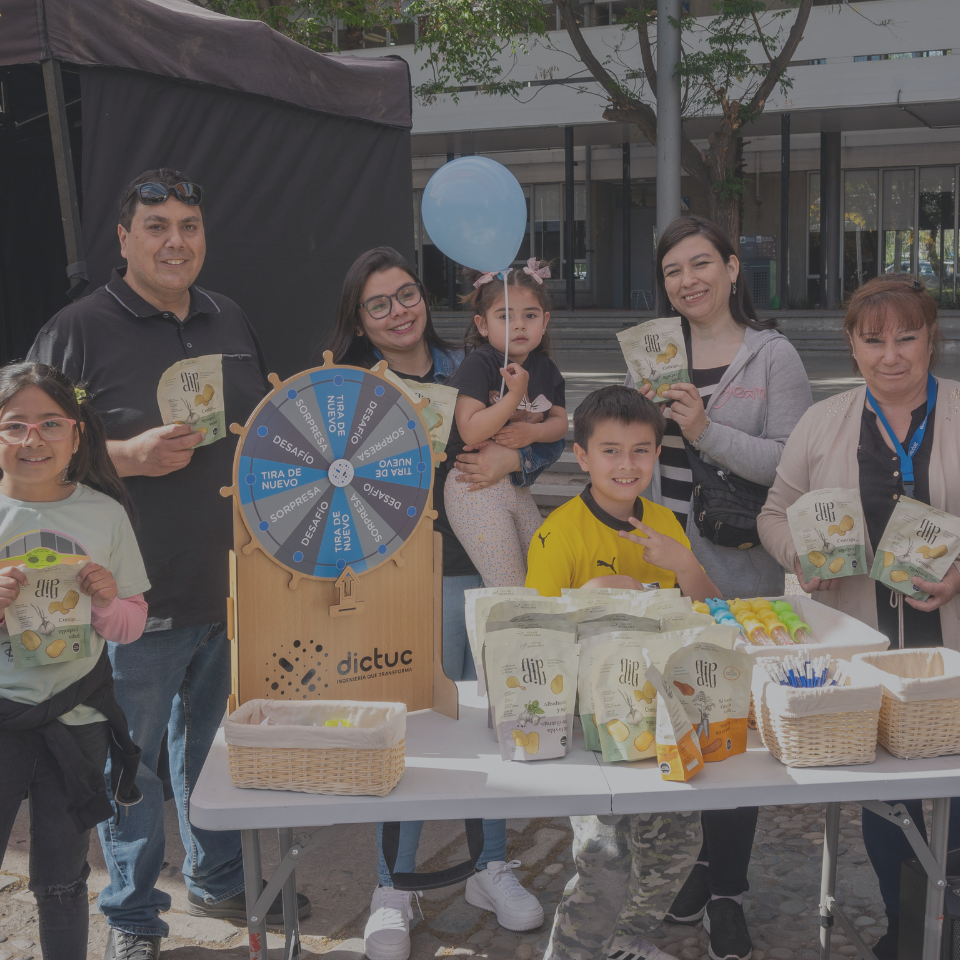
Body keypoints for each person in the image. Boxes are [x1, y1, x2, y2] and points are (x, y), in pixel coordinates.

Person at [26, 168, 306, 959]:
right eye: (156, 226)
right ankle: (134, 916)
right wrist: (123, 457)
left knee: (215, 748)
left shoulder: (229, 315)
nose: (175, 240)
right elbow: (28, 449)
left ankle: (218, 877)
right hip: (131, 602)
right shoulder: (77, 328)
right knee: (132, 770)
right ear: (123, 239)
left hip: (235, 584)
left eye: (188, 224)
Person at [325, 247, 557, 960]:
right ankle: (394, 886)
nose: (398, 311)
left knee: (493, 713)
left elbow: (546, 438)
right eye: (379, 303)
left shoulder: (479, 361)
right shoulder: (350, 386)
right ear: (359, 320)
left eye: (406, 294)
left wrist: (515, 457)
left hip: (480, 569)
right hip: (395, 577)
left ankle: (491, 865)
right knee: (408, 725)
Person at [758, 274, 960, 960]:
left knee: (957, 799)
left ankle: (947, 921)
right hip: (863, 648)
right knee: (884, 797)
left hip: (951, 650)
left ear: (932, 337)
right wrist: (801, 559)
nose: (892, 354)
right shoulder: (823, 423)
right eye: (874, 340)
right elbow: (774, 512)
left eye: (907, 336)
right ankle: (908, 926)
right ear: (852, 345)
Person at [629, 216, 812, 960]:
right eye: (674, 270)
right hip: (660, 567)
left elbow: (785, 466)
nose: (688, 280)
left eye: (701, 263)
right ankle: (698, 865)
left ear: (734, 269)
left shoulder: (775, 357)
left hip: (739, 572)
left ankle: (728, 887)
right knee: (677, 721)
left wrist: (703, 428)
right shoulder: (654, 352)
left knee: (733, 737)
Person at [526, 384, 716, 960]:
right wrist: (590, 598)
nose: (626, 464)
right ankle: (571, 953)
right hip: (590, 729)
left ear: (658, 455)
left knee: (678, 844)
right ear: (582, 456)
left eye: (640, 450)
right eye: (610, 450)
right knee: (605, 858)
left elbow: (708, 613)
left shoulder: (663, 524)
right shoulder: (558, 534)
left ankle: (624, 940)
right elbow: (537, 642)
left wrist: (682, 563)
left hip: (660, 720)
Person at [0, 363, 149, 960]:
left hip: (77, 721)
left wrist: (108, 599)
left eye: (50, 424)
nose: (33, 440)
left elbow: (132, 625)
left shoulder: (105, 515)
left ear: (77, 433)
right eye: (15, 425)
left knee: (62, 880)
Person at [444, 261, 568, 587]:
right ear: (482, 325)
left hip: (517, 487)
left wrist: (534, 431)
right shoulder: (479, 364)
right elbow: (470, 429)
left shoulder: (546, 369)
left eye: (530, 315)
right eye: (505, 316)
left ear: (545, 322)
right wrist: (513, 398)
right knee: (510, 588)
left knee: (546, 575)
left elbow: (559, 422)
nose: (519, 326)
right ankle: (505, 638)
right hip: (473, 487)